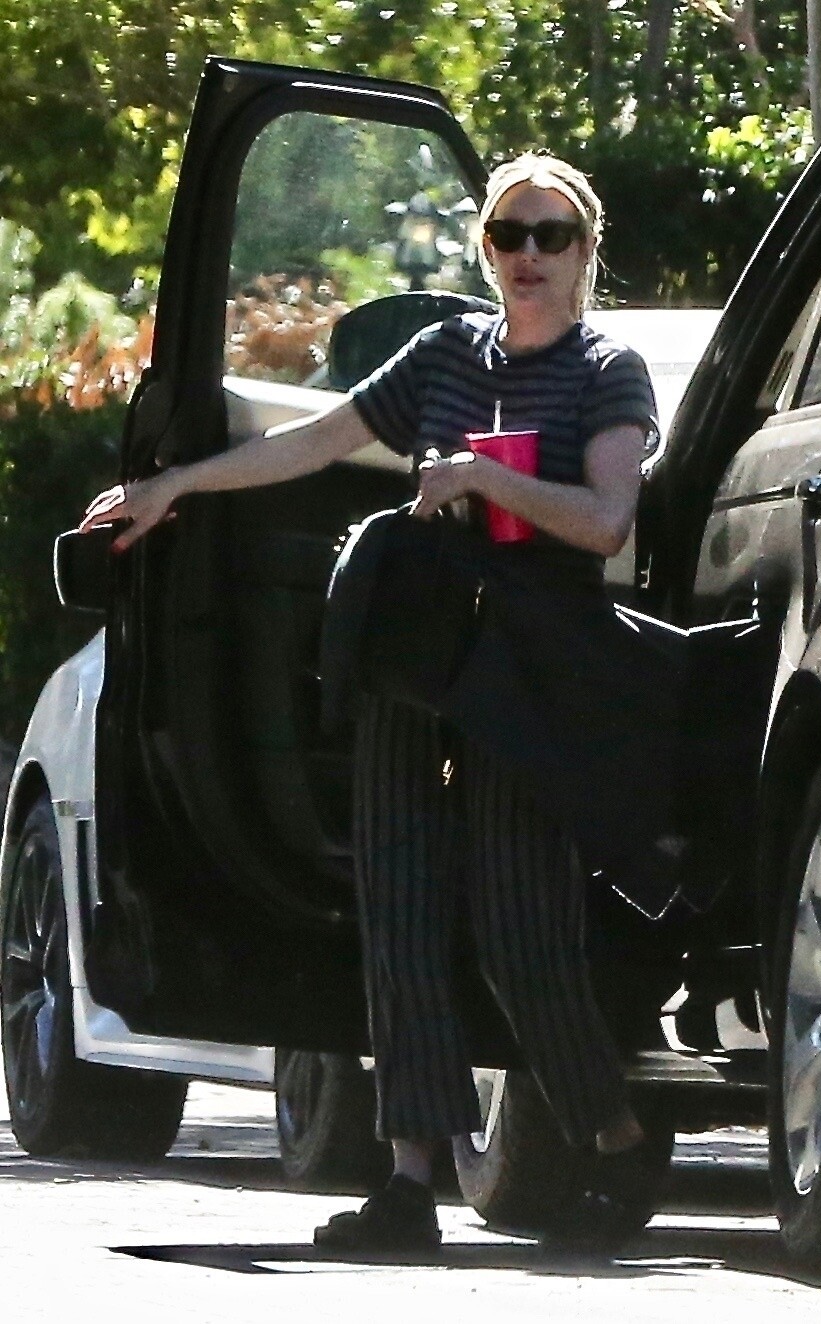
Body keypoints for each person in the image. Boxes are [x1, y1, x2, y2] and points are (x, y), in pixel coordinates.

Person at [81, 152, 660, 1256]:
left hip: (527, 669)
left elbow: (604, 520)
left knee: (520, 927)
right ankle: (407, 1182)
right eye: (506, 235)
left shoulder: (605, 369)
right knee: (396, 911)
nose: (526, 256)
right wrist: (174, 485)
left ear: (585, 251)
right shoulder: (445, 353)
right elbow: (316, 439)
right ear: (484, 249)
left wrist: (485, 478)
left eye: (549, 236)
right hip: (417, 655)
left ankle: (615, 1137)